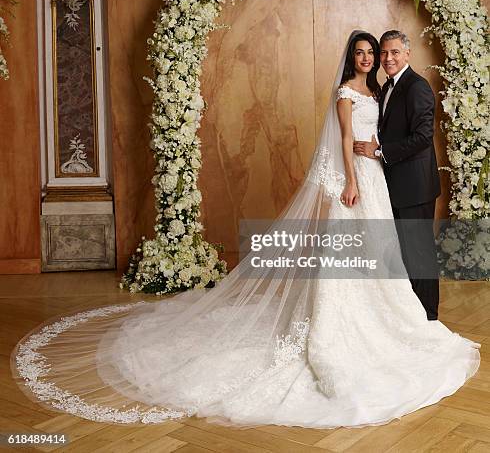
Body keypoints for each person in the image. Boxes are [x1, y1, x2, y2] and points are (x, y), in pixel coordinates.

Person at [12, 31, 480, 429]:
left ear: (398, 56)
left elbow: (407, 136)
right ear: (358, 57)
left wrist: (375, 159)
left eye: (378, 53)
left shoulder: (393, 91)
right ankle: (357, 328)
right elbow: (343, 141)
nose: (374, 59)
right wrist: (353, 181)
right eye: (369, 53)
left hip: (386, 181)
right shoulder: (347, 94)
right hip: (362, 184)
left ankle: (410, 321)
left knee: (396, 258)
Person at [353, 30, 441, 320]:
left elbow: (423, 137)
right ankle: (412, 317)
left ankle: (428, 318)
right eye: (384, 53)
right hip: (396, 185)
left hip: (416, 187)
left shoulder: (417, 87)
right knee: (405, 255)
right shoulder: (387, 86)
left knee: (419, 253)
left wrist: (379, 151)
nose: (388, 58)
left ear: (407, 54)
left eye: (394, 52)